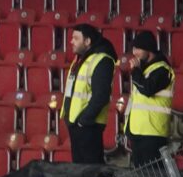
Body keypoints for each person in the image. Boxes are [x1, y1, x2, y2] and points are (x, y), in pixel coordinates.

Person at [60, 24, 115, 165]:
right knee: (80, 173)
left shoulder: (102, 60)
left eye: (76, 38)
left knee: (93, 172)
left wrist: (83, 121)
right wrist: (69, 118)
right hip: (76, 124)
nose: (71, 41)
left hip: (88, 126)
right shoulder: (79, 59)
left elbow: (101, 96)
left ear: (87, 41)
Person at [120, 31, 172, 166]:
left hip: (153, 133)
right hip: (138, 131)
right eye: (133, 48)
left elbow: (147, 89)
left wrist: (135, 71)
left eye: (138, 48)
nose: (134, 52)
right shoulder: (144, 70)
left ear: (149, 49)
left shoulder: (162, 69)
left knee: (151, 176)